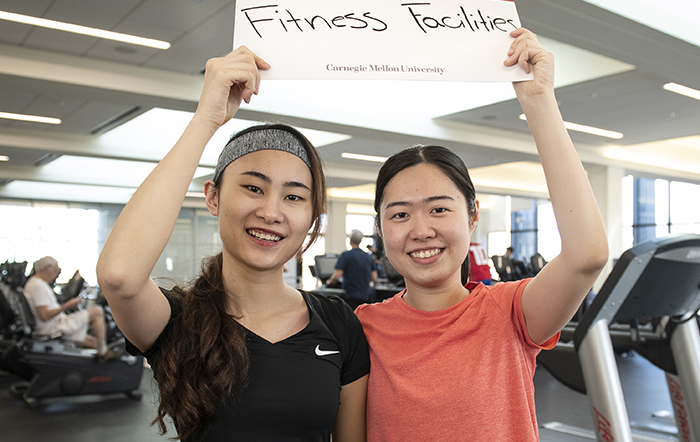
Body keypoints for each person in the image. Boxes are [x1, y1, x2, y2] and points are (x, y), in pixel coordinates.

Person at [96, 47, 369, 442]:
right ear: (213, 197)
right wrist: (206, 119)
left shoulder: (339, 322)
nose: (272, 212)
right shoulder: (177, 319)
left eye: (293, 197)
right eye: (253, 188)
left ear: (312, 214)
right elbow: (119, 275)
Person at [354, 29, 609, 442]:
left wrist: (539, 101)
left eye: (439, 209)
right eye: (400, 214)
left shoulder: (510, 313)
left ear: (472, 217)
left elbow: (587, 256)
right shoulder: (361, 329)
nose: (421, 230)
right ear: (381, 228)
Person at [23, 256, 118, 361]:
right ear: (46, 269)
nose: (56, 274)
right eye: (55, 271)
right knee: (97, 311)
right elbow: (44, 315)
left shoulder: (36, 283)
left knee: (92, 342)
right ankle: (103, 352)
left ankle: (104, 358)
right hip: (53, 327)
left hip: (55, 323)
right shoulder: (37, 286)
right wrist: (67, 305)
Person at [327, 230, 378, 309]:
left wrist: (329, 282)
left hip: (350, 297)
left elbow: (337, 276)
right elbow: (374, 277)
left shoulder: (346, 255)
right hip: (365, 297)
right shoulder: (368, 257)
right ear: (360, 241)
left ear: (350, 240)